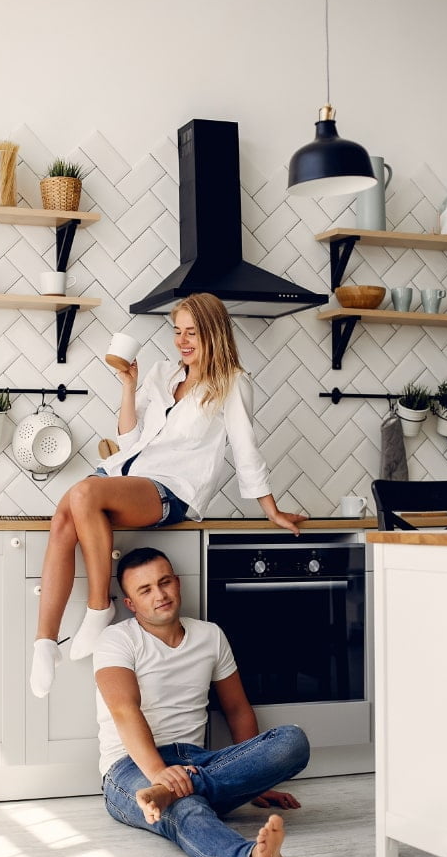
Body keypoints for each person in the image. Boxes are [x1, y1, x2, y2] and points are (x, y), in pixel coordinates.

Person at [30, 292, 307, 697]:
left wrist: (271, 509)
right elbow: (130, 440)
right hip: (129, 475)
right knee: (64, 517)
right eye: (177, 331)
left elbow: (246, 448)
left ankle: (99, 608)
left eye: (192, 332)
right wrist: (129, 386)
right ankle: (44, 642)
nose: (182, 341)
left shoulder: (232, 383)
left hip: (174, 489)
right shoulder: (163, 373)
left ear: (213, 332)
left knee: (84, 492)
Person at [94, 546, 311, 857]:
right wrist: (159, 775)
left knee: (292, 741)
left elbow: (237, 708)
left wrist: (254, 780)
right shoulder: (116, 640)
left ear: (178, 583)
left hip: (197, 763)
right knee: (186, 808)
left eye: (165, 582)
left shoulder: (210, 635)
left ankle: (174, 790)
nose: (160, 595)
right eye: (145, 590)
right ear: (131, 604)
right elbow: (124, 710)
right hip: (130, 767)